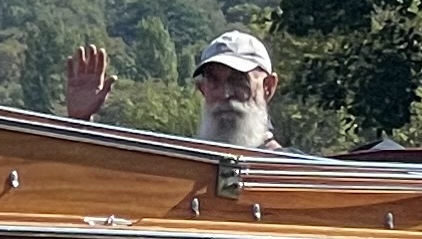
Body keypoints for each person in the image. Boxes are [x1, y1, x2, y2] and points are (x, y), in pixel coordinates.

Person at [62, 28, 282, 150]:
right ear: (202, 90)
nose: (225, 94)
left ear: (268, 87)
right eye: (214, 81)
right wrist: (79, 122)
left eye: (238, 81)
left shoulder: (301, 175)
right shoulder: (178, 169)